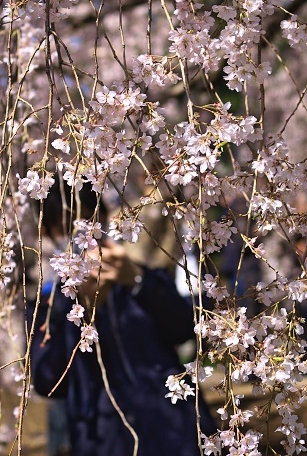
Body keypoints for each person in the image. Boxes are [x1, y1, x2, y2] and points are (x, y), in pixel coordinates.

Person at [30, 183, 211, 456]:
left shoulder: (143, 277)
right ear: (48, 233)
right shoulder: (49, 304)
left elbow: (185, 328)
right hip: (102, 439)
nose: (84, 235)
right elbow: (47, 381)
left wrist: (137, 280)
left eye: (92, 220)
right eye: (68, 226)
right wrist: (80, 312)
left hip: (173, 428)